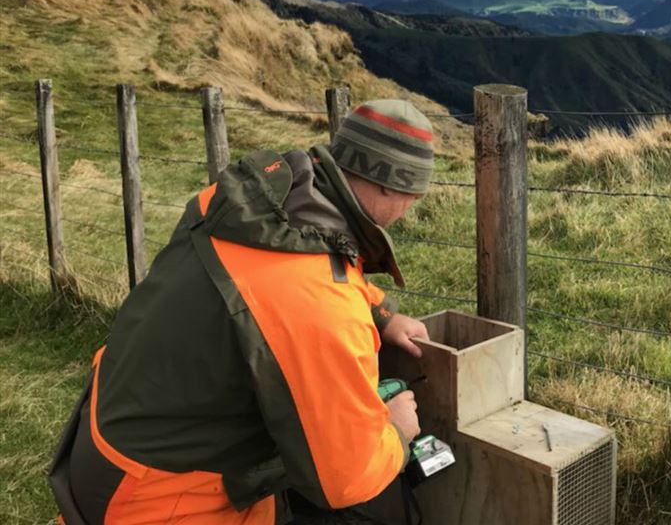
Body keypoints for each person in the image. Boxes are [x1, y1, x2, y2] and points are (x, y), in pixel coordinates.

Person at [48, 99, 438, 525]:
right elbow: (345, 479)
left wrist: (380, 313)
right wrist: (397, 431)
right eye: (412, 197)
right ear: (390, 185)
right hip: (161, 501)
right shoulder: (321, 302)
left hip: (114, 444)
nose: (407, 211)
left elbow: (301, 262)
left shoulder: (256, 202)